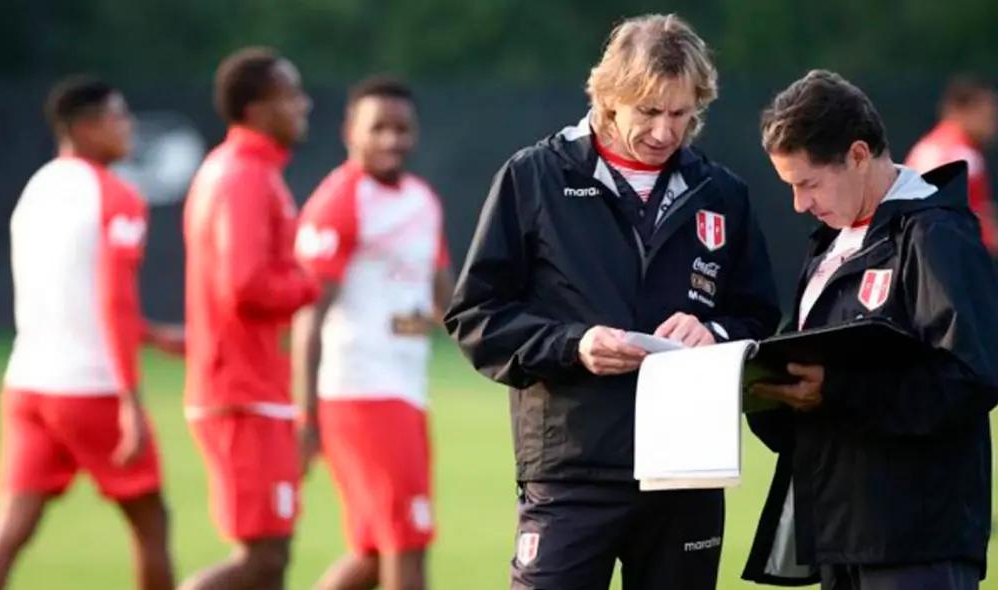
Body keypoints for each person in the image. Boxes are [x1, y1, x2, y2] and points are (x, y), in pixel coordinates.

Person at [444, 13, 782, 590]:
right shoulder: (535, 177)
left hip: (689, 469)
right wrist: (573, 345)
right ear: (608, 98)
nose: (665, 132)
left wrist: (717, 333)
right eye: (648, 111)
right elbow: (476, 316)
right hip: (573, 469)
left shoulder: (723, 192)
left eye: (680, 114)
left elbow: (758, 313)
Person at [743, 69, 998, 590]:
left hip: (917, 545)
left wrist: (839, 389)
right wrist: (766, 392)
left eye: (808, 183)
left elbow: (972, 377)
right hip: (841, 539)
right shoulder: (828, 246)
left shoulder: (934, 234)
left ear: (858, 155)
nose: (799, 204)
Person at [0, 75, 181, 590]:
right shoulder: (115, 196)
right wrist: (129, 400)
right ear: (85, 128)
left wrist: (148, 334)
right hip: (90, 388)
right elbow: (113, 299)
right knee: (151, 524)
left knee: (12, 527)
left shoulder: (37, 189)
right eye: (118, 117)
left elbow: (65, 296)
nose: (129, 127)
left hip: (29, 383)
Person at [292, 75, 451, 590]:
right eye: (378, 127)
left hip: (405, 390)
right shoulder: (339, 202)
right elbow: (308, 314)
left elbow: (446, 304)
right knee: (408, 542)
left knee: (374, 552)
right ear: (349, 132)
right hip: (361, 392)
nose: (391, 139)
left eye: (401, 129)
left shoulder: (422, 200)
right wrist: (306, 416)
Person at [180, 47, 318, 590]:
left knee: (270, 564)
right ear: (258, 107)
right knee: (262, 561)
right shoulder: (245, 177)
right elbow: (245, 286)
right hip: (242, 394)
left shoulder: (241, 170)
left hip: (249, 388)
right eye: (291, 94)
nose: (303, 104)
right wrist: (309, 283)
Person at [904, 75, 998, 255]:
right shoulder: (965, 156)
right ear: (962, 111)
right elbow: (976, 226)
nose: (992, 125)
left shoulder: (927, 146)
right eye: (988, 116)